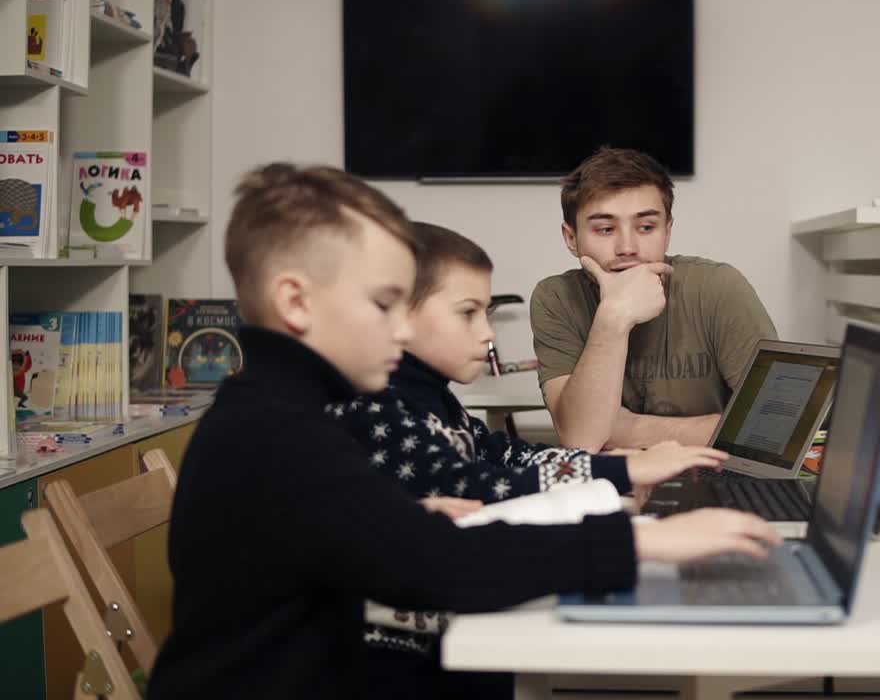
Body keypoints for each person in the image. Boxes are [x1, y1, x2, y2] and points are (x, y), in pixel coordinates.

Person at [147, 162, 779, 699]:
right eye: (384, 304)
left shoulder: (274, 410)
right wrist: (648, 543)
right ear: (296, 302)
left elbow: (353, 540)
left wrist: (404, 521)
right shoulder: (283, 434)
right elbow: (443, 568)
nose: (403, 331)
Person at [335, 223, 728, 696]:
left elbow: (501, 453)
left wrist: (620, 463)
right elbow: (470, 485)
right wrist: (620, 471)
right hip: (401, 671)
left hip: (451, 639)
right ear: (398, 315)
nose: (487, 334)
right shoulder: (375, 404)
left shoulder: (430, 396)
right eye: (468, 314)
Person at [531, 147, 777, 452]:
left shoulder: (717, 287)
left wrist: (629, 429)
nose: (627, 247)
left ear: (667, 231)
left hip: (710, 471)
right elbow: (582, 438)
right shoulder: (556, 298)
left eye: (646, 227)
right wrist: (613, 318)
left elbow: (775, 426)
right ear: (571, 238)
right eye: (605, 229)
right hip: (615, 481)